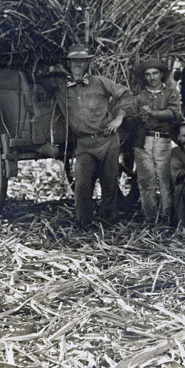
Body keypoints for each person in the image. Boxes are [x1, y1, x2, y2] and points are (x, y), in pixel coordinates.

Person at [53, 43, 133, 229]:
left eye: (82, 62)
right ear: (69, 64)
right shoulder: (61, 88)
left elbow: (126, 95)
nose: (78, 65)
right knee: (81, 186)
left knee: (109, 184)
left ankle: (108, 223)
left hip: (107, 141)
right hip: (84, 145)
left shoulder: (100, 82)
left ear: (87, 64)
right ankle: (84, 225)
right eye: (74, 62)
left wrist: (118, 119)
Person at [132, 58, 181, 225]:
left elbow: (174, 113)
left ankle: (167, 217)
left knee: (165, 180)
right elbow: (130, 117)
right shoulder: (139, 96)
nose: (152, 77)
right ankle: (150, 218)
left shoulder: (171, 93)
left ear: (161, 74)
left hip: (163, 141)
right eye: (147, 74)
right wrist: (139, 118)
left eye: (155, 73)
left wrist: (153, 113)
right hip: (143, 141)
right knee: (146, 181)